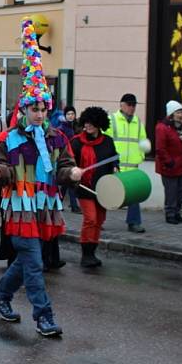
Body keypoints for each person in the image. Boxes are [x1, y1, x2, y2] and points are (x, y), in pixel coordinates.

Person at [0, 19, 81, 337]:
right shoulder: (8, 138)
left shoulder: (57, 138)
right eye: (34, 108)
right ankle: (44, 316)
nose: (39, 113)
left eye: (43, 108)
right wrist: (0, 173)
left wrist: (72, 173)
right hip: (19, 206)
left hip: (45, 205)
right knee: (34, 262)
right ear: (24, 110)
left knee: (29, 259)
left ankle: (1, 296)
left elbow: (64, 167)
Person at [70, 107, 118, 267]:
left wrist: (116, 167)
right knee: (90, 219)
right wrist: (73, 172)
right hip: (84, 187)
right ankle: (86, 254)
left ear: (99, 124)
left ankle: (93, 251)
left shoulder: (107, 141)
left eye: (92, 123)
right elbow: (69, 163)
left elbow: (114, 159)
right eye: (86, 123)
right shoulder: (76, 142)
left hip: (102, 188)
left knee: (99, 220)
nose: (88, 126)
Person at [105, 93, 149, 233]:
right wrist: (110, 161)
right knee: (107, 194)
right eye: (129, 104)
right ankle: (98, 221)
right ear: (121, 105)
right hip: (115, 165)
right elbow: (105, 141)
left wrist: (140, 157)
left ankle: (134, 222)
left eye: (134, 105)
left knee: (134, 196)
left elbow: (143, 141)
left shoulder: (138, 122)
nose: (132, 107)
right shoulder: (111, 120)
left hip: (132, 167)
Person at [156, 100, 182, 225]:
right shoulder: (162, 128)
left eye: (181, 112)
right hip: (170, 166)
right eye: (178, 112)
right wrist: (169, 162)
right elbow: (160, 148)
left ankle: (176, 211)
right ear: (171, 114)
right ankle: (170, 213)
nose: (181, 114)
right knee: (171, 192)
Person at [55, 105, 80, 212]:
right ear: (65, 116)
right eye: (68, 114)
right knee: (71, 181)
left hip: (75, 156)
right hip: (67, 157)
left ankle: (58, 203)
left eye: (72, 114)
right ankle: (74, 206)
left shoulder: (77, 127)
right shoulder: (62, 128)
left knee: (66, 183)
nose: (71, 116)